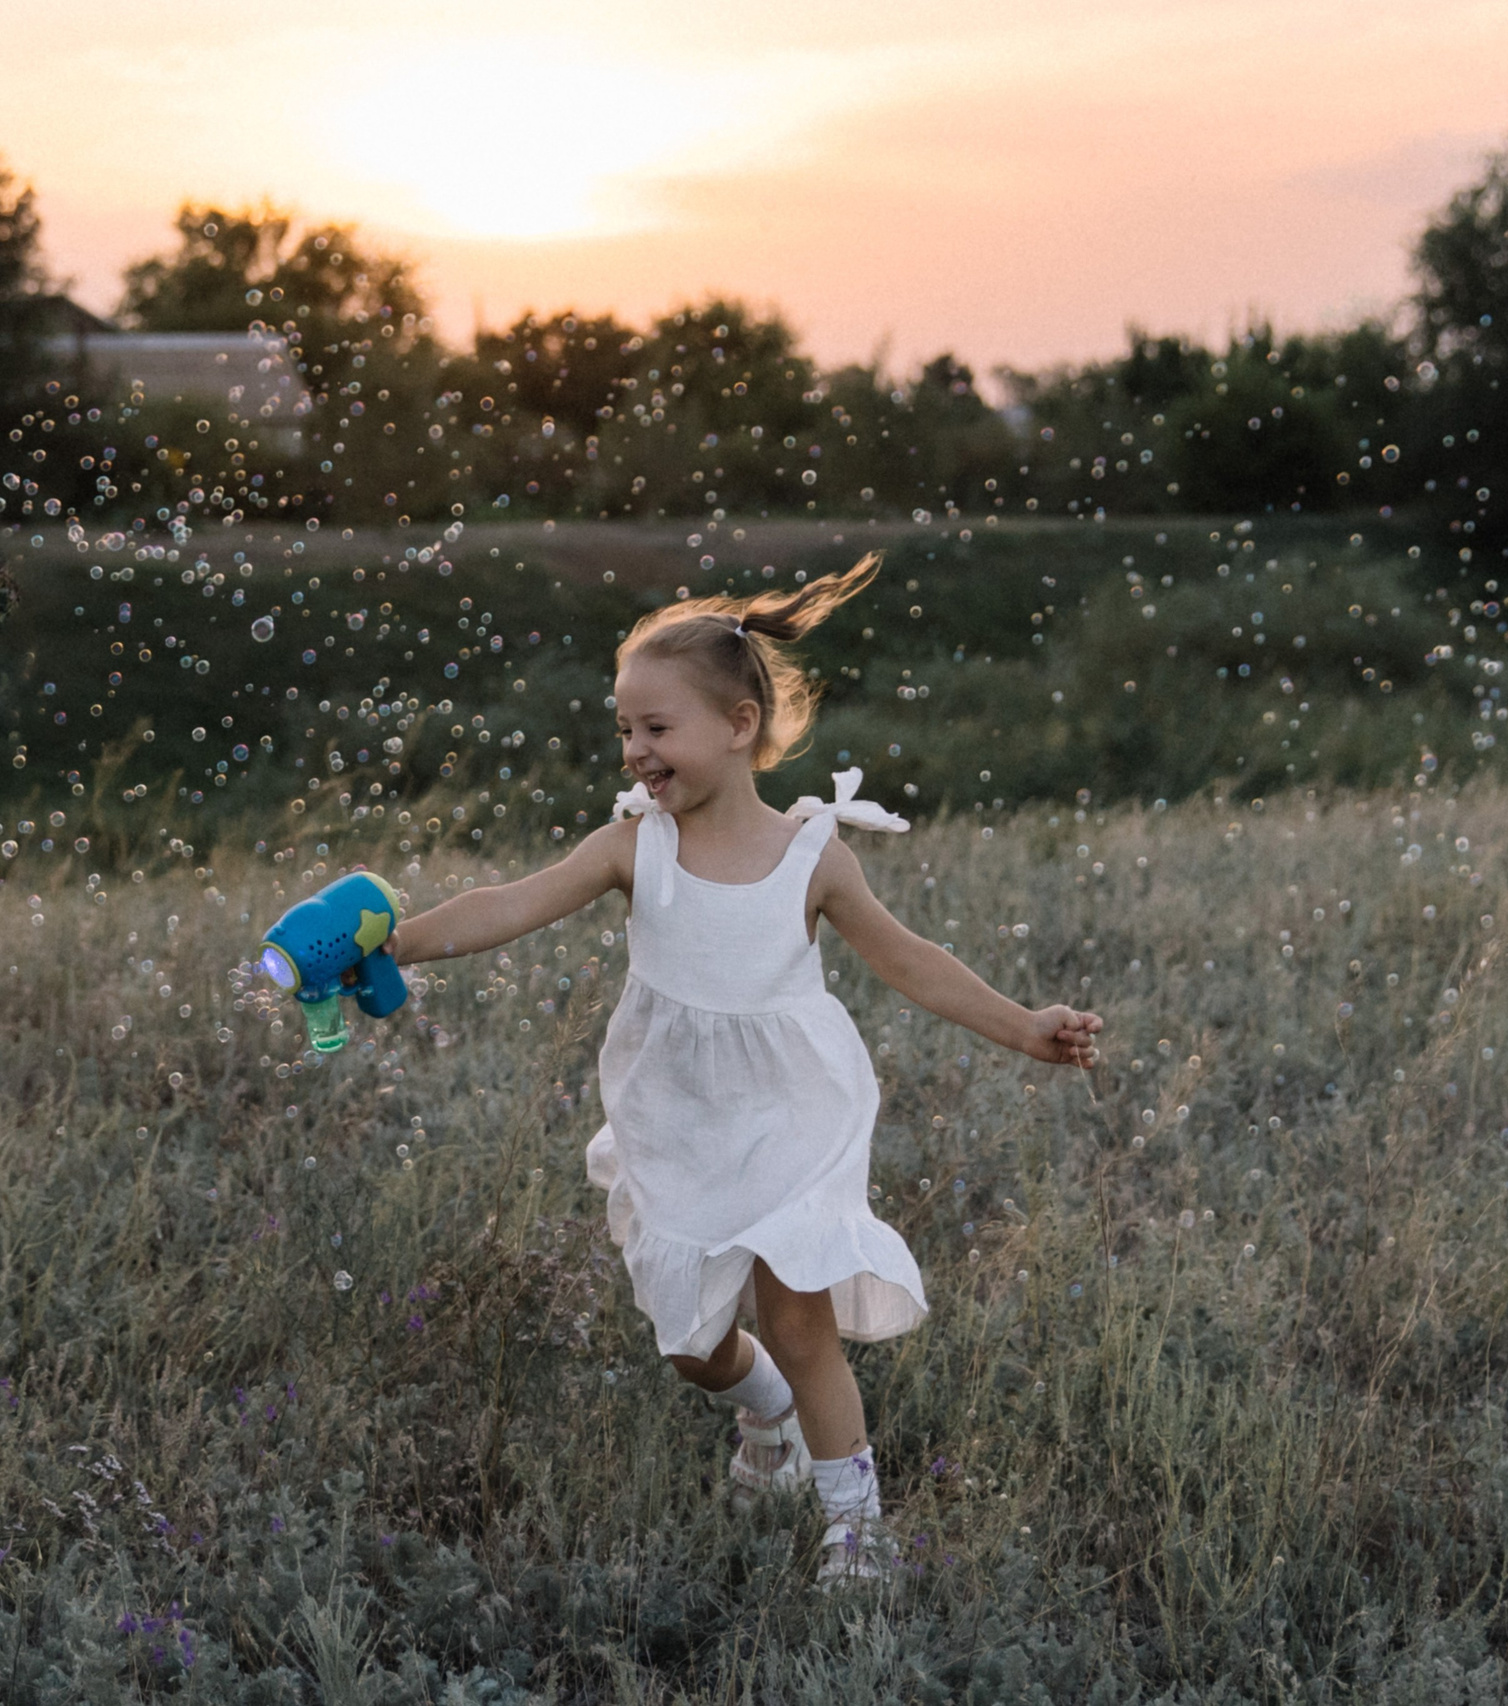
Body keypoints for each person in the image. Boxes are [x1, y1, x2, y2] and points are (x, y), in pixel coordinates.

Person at [383, 558, 1102, 1583]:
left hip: (791, 1112)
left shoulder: (814, 854)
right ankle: (758, 1404)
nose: (635, 750)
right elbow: (507, 900)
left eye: (656, 728)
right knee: (690, 1344)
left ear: (738, 721)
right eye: (625, 729)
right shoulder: (635, 847)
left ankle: (856, 1530)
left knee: (798, 1315)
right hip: (678, 1113)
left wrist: (1025, 1025)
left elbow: (912, 962)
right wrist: (397, 944)